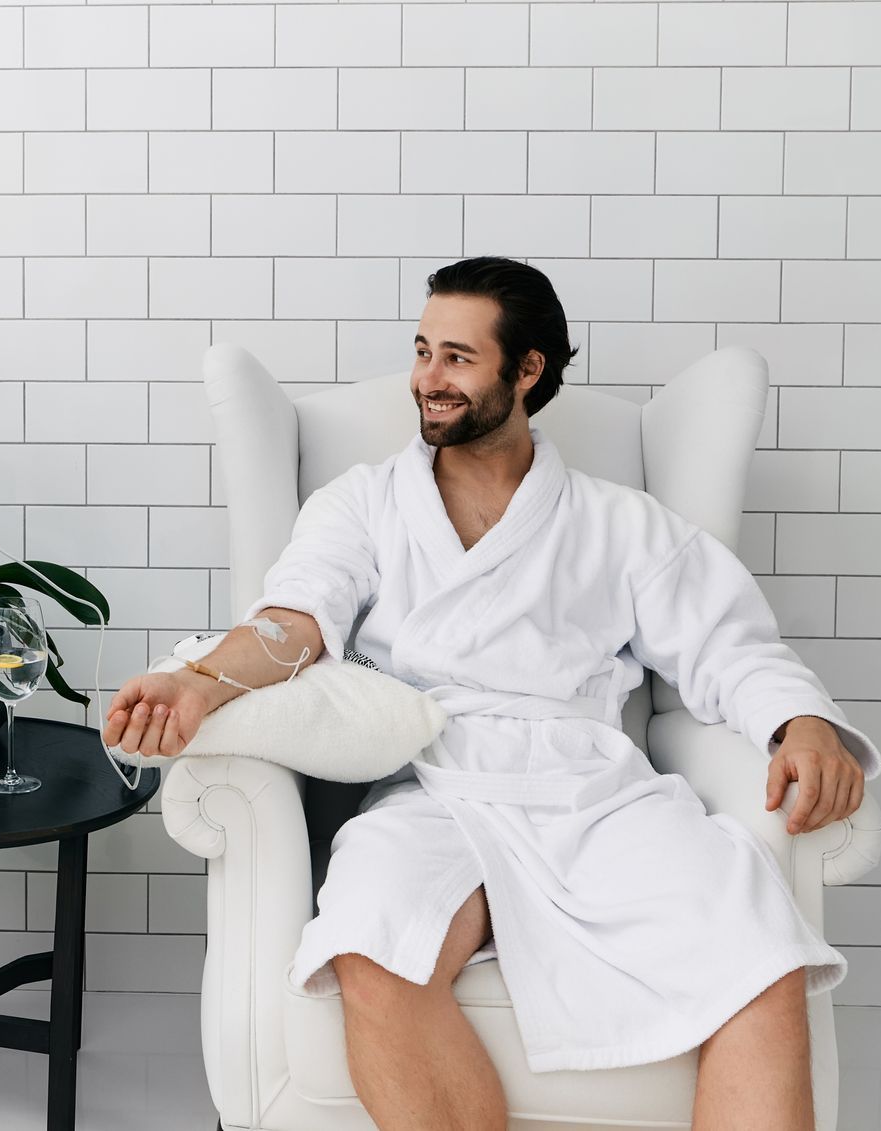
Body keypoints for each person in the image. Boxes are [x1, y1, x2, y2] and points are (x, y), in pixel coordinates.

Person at [102, 257, 875, 1130]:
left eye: (457, 358)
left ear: (528, 369)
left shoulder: (617, 521)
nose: (426, 380)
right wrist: (196, 679)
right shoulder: (362, 504)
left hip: (591, 790)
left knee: (759, 952)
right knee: (370, 939)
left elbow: (730, 644)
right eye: (422, 350)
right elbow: (292, 622)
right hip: (433, 779)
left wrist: (801, 722)